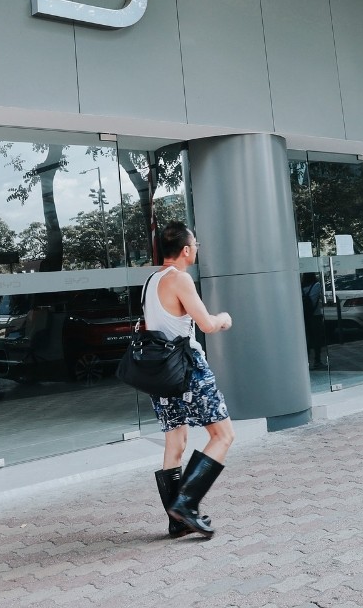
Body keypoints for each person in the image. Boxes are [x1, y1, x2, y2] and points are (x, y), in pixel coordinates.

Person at [148, 222, 235, 538]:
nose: (196, 247)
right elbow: (207, 324)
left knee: (175, 442)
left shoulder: (151, 281)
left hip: (161, 373)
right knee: (223, 435)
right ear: (186, 250)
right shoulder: (180, 279)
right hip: (188, 369)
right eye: (195, 243)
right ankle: (186, 504)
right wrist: (223, 319)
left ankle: (177, 522)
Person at [302, 273, 326, 369]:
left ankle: (306, 361)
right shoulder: (316, 285)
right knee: (317, 338)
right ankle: (317, 360)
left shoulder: (301, 286)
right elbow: (317, 298)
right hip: (315, 315)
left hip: (304, 315)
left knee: (307, 338)